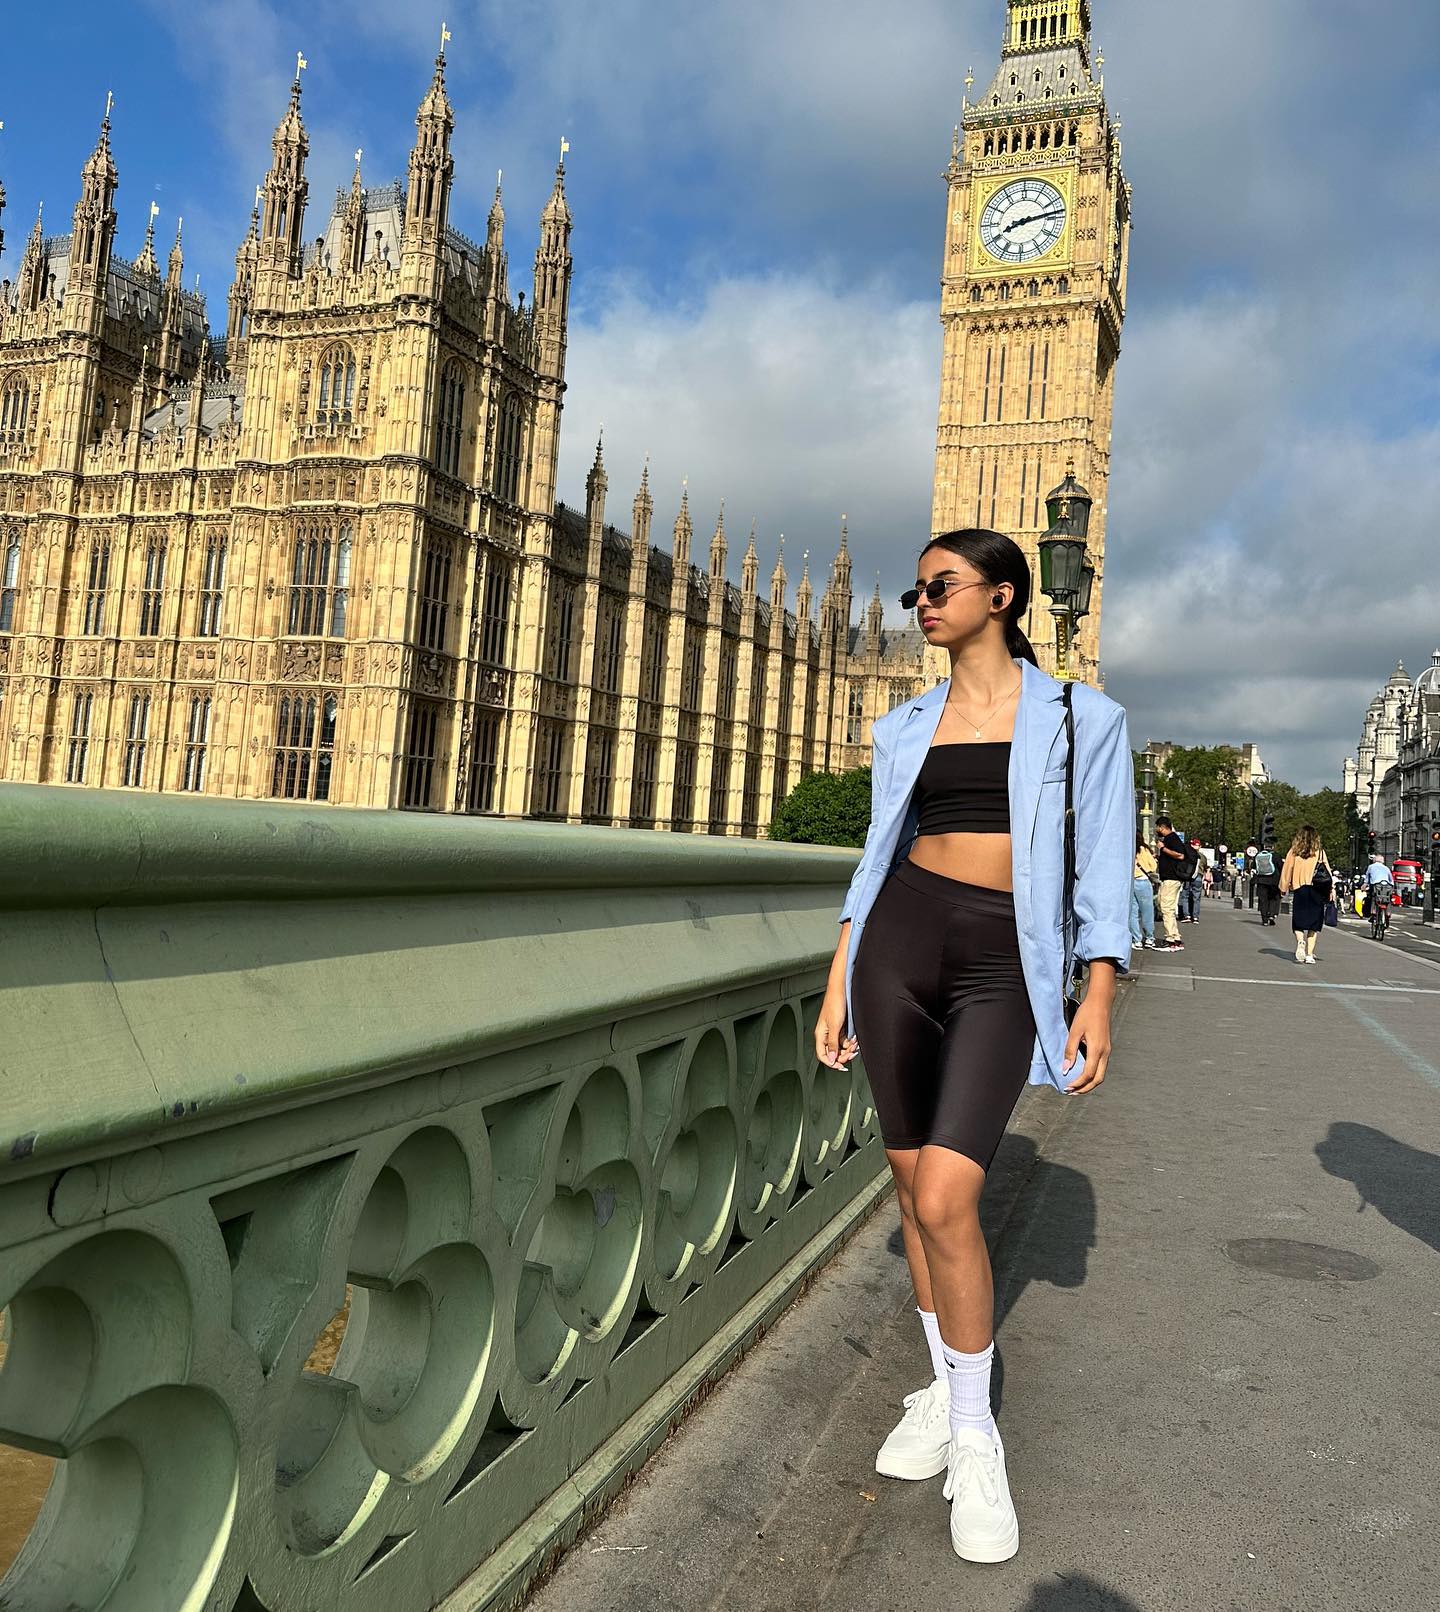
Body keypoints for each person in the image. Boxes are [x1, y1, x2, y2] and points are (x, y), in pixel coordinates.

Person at [814, 527, 1132, 1567]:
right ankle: (945, 1392)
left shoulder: (1084, 719)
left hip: (1008, 960)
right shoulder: (903, 724)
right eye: (915, 592)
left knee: (950, 1194)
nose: (922, 604)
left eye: (939, 586)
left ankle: (976, 1433)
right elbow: (876, 859)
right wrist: (839, 980)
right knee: (910, 1191)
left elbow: (1099, 871)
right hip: (899, 945)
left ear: (1002, 594)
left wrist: (1102, 991)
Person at [1279, 823, 1332, 963]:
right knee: (1314, 925)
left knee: (1298, 922)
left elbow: (1286, 870)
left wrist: (1283, 887)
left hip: (1299, 889)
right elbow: (1328, 874)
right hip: (1317, 890)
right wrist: (1331, 891)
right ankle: (1309, 954)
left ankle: (1300, 942)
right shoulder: (1319, 852)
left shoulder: (1294, 852)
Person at [1155, 814, 1187, 949]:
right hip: (1171, 878)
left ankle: (1170, 940)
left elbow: (1180, 855)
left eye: (1157, 827)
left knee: (1166, 908)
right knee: (1166, 906)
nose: (1156, 830)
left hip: (1171, 879)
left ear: (1162, 827)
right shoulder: (1172, 839)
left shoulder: (1171, 839)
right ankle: (1175, 937)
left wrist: (1162, 848)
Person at [1132, 834, 1158, 949]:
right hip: (1143, 881)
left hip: (1130, 882)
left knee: (1133, 913)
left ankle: (1136, 939)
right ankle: (1149, 938)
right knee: (1147, 912)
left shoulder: (1128, 847)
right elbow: (1153, 866)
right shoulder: (1144, 849)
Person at [1252, 839, 1282, 926]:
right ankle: (1272, 914)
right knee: (1273, 898)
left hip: (1261, 881)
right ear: (1273, 847)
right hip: (1274, 881)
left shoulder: (1258, 856)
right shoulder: (1276, 856)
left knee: (1263, 900)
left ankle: (1264, 919)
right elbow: (1281, 867)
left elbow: (1254, 867)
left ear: (1264, 847)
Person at [1362, 852, 1394, 918]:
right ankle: (1388, 913)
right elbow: (1391, 880)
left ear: (1374, 860)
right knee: (1388, 898)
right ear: (1382, 861)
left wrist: (1363, 886)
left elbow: (1367, 879)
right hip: (1387, 886)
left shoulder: (1371, 867)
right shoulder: (1386, 868)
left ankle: (1373, 912)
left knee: (1373, 896)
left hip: (1376, 885)